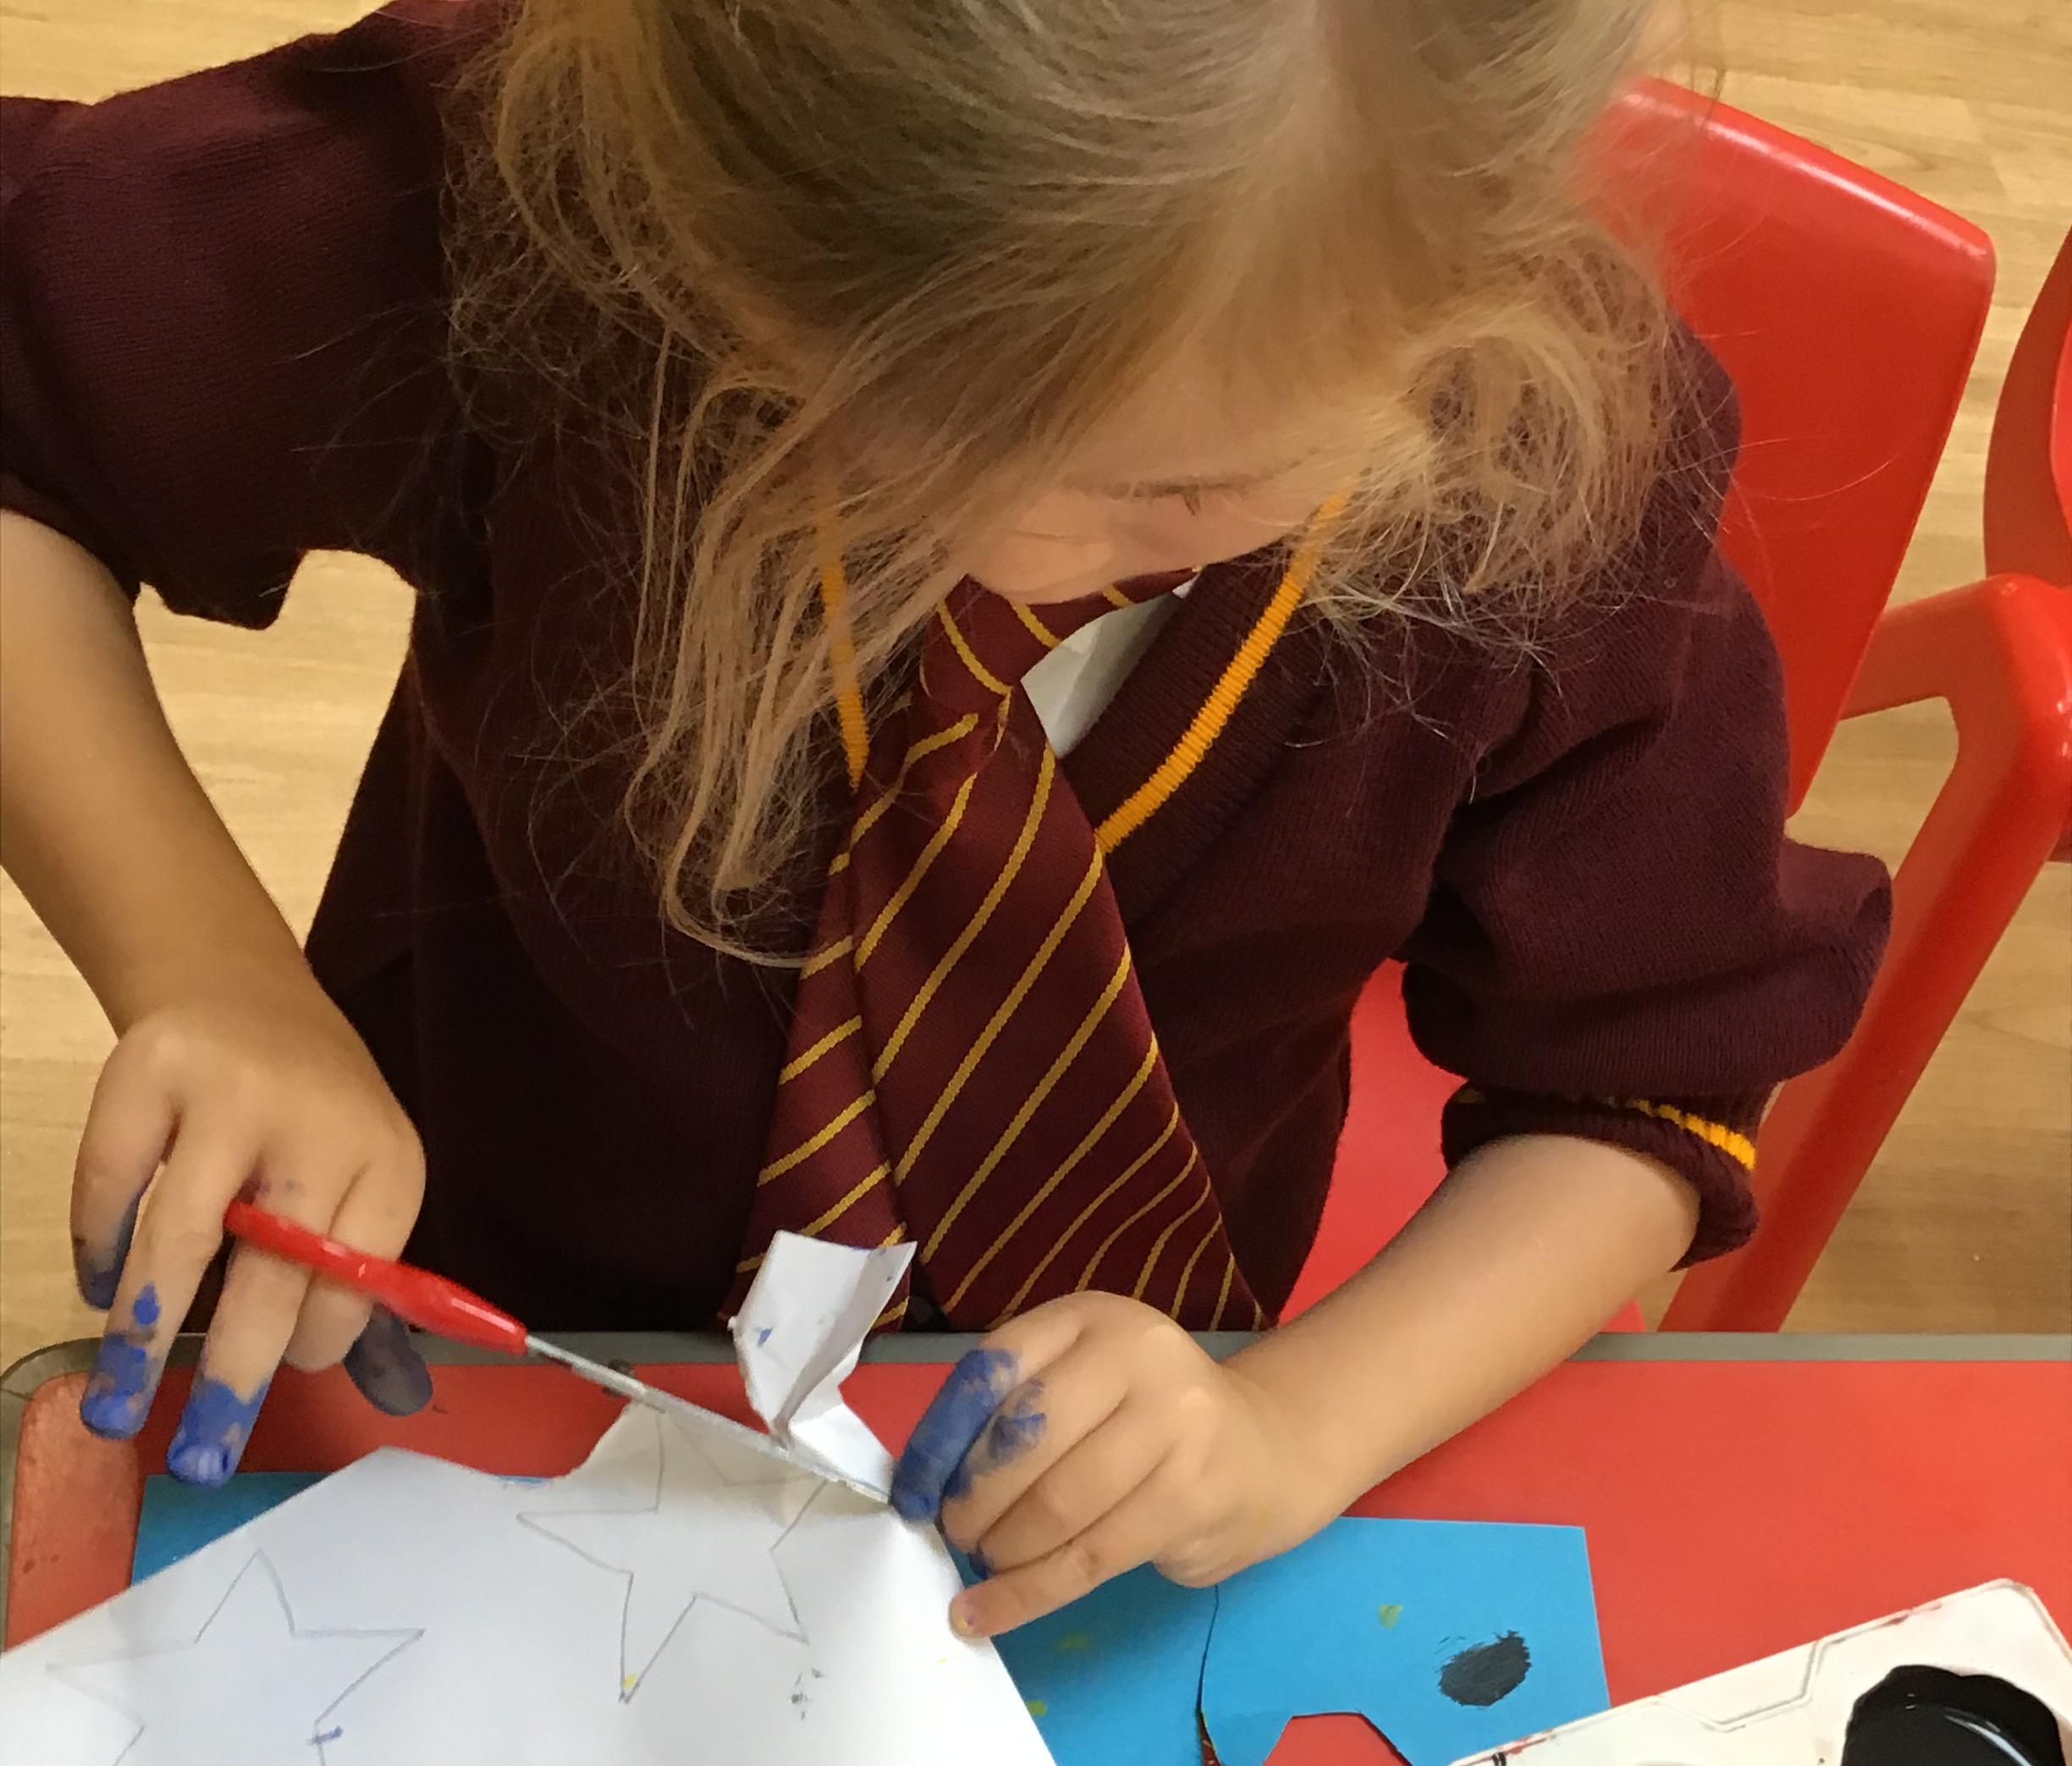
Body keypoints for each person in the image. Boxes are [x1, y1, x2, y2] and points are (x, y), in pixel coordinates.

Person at [0, 0, 1887, 1639]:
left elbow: (1647, 1090)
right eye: (856, 417)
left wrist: (1295, 1423)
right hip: (459, 1306)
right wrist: (209, 971)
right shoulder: (522, 180)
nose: (1010, 546)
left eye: (1178, 490)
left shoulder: (1548, 472)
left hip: (1096, 1437)